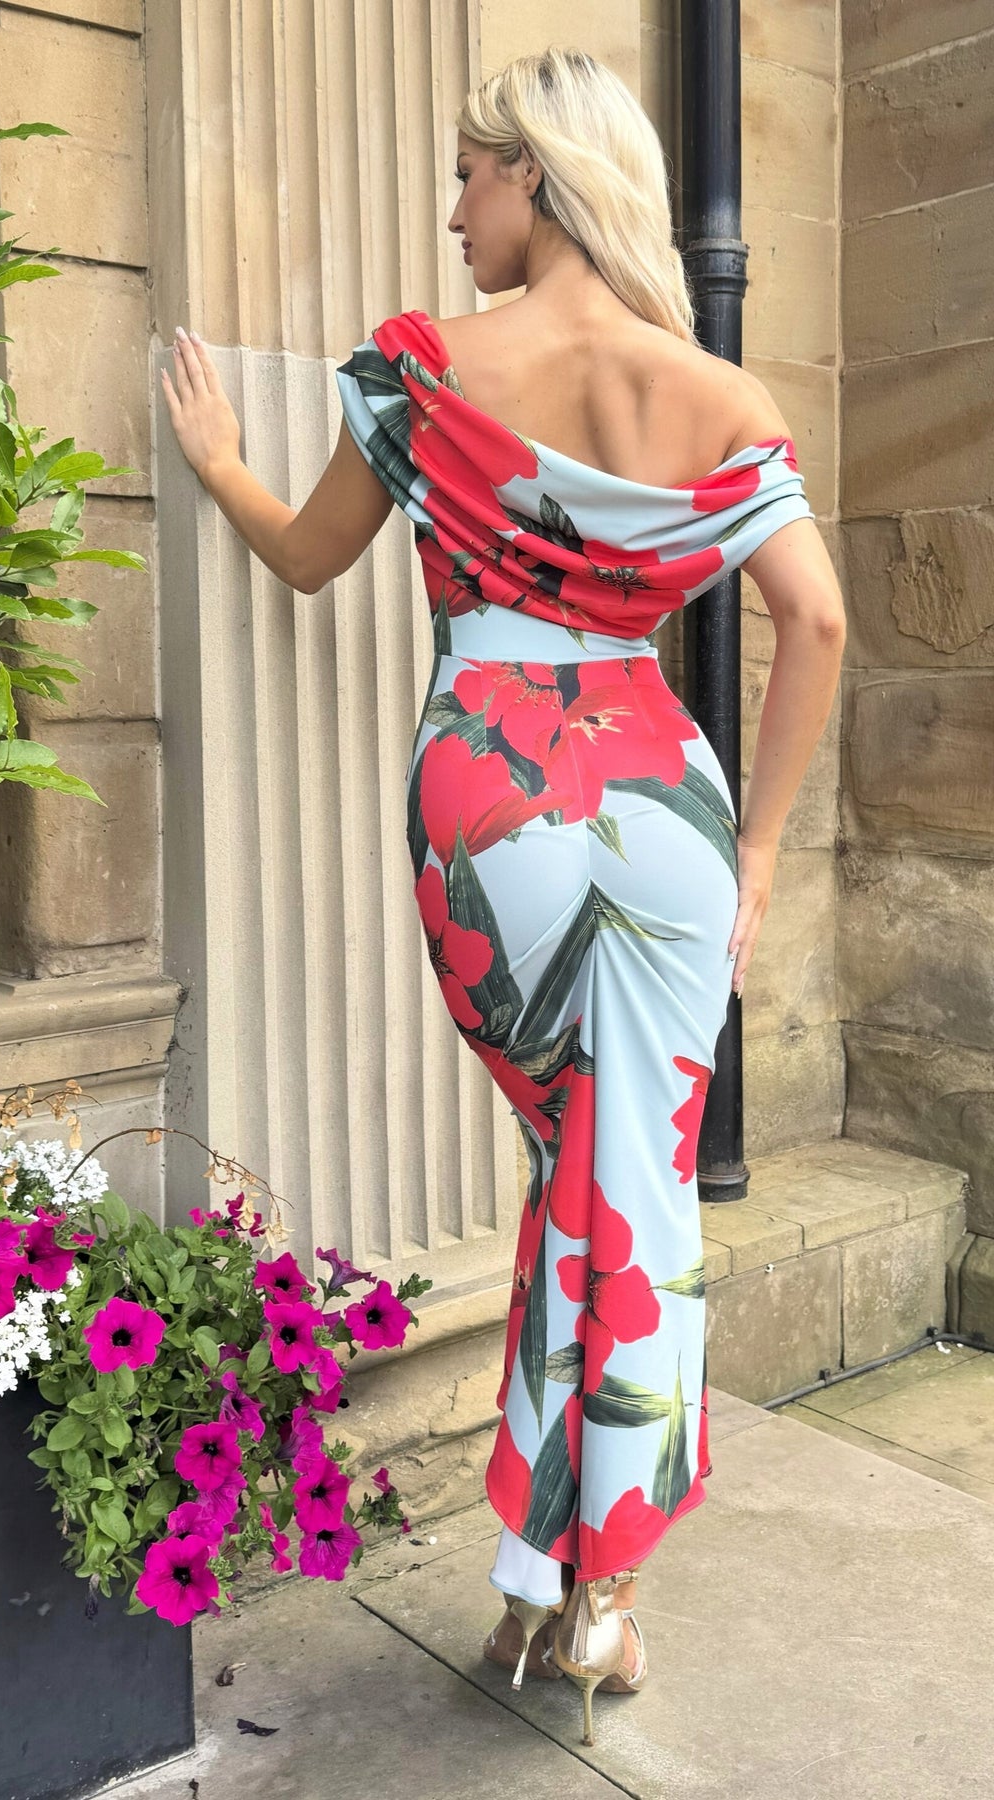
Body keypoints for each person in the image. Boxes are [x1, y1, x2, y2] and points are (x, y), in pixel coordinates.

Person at [160, 43, 845, 1749]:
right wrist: (761, 849)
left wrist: (222, 462)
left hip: (495, 802)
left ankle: (567, 1583)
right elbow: (819, 622)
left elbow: (308, 557)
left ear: (535, 172)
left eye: (472, 173)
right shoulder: (721, 392)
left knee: (579, 1169)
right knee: (635, 1181)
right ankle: (593, 1584)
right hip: (667, 803)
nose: (457, 207)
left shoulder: (419, 368)